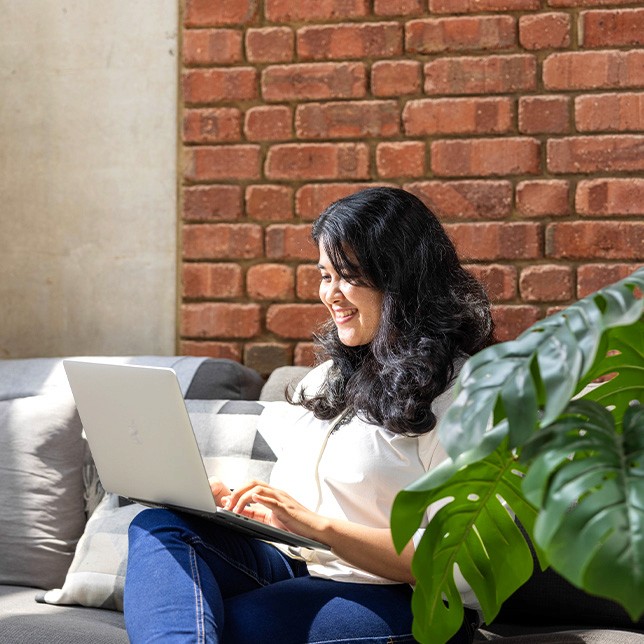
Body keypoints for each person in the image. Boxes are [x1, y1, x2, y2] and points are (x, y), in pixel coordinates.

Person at [123, 187, 494, 643]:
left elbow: (458, 562)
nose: (331, 294)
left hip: (411, 598)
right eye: (324, 275)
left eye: (348, 276)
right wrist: (247, 512)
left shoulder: (468, 390)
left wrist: (320, 527)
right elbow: (309, 516)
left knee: (223, 624)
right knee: (160, 527)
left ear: (401, 277)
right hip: (309, 568)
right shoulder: (325, 380)